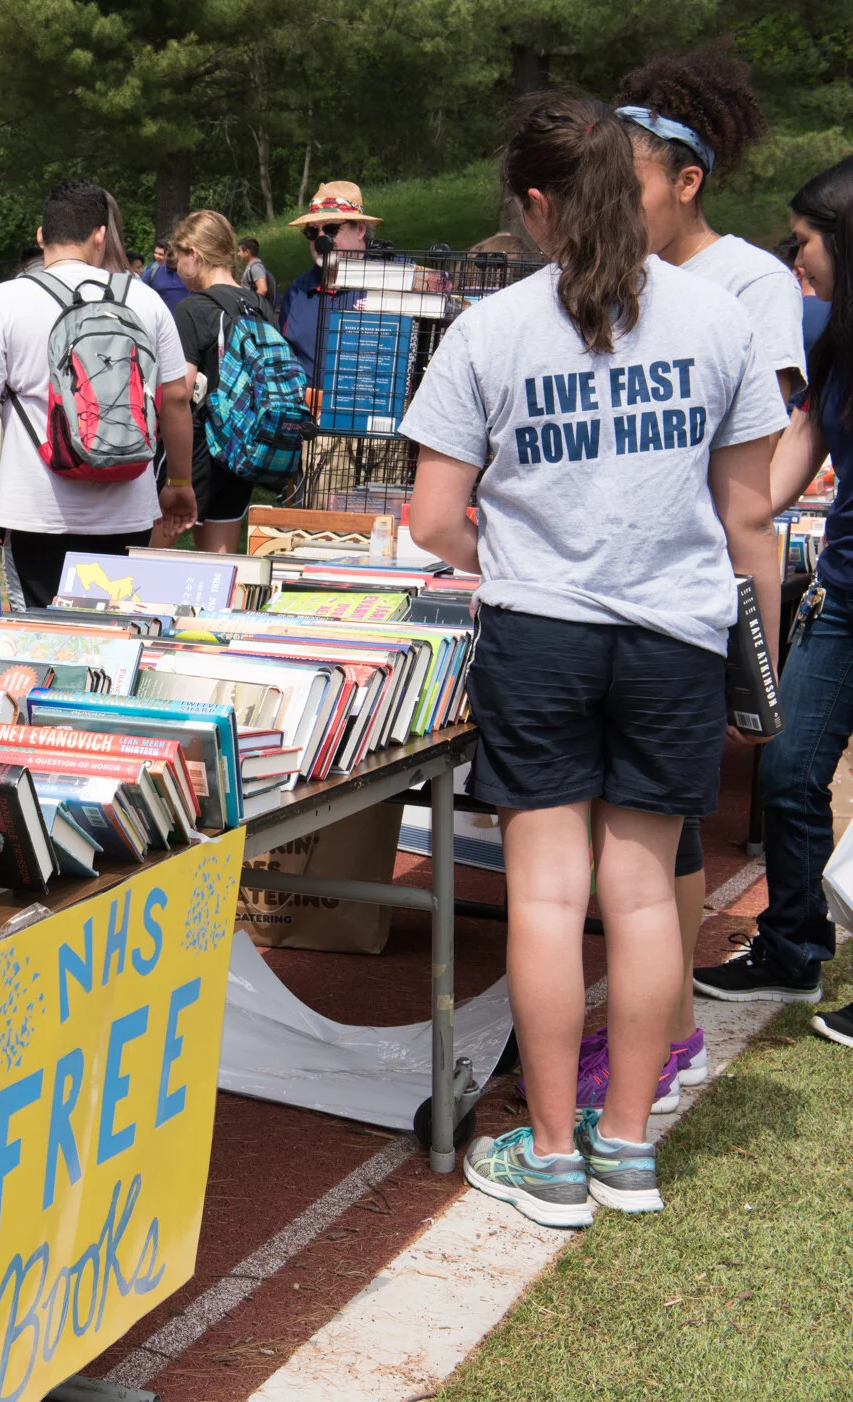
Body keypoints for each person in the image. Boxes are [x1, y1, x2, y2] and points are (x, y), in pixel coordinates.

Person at [405, 91, 785, 1229]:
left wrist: (519, 549)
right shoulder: (721, 321)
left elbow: (431, 521)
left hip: (543, 634)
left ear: (534, 205)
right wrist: (754, 659)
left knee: (548, 892)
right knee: (645, 893)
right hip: (674, 633)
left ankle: (555, 1156)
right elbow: (749, 514)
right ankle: (628, 1147)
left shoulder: (491, 330)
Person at [600, 49, 809, 1094]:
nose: (610, 202)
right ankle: (653, 1016)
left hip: (688, 593)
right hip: (612, 591)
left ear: (687, 181)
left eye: (628, 180)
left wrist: (753, 646)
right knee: (634, 828)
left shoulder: (751, 284)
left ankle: (669, 1023)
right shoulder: (618, 275)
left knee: (669, 824)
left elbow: (757, 479)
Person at [705, 156, 853, 1037]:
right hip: (841, 599)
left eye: (803, 241)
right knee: (792, 772)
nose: (794, 259)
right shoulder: (832, 337)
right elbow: (772, 485)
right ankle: (793, 951)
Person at [0, 179, 196, 608]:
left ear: (41, 235)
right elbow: (176, 399)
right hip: (128, 509)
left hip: (37, 512)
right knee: (121, 633)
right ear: (101, 235)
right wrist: (179, 481)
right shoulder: (145, 299)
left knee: (43, 638)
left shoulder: (5, 300)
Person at [167, 211, 277, 554]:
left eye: (178, 258)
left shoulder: (193, 307)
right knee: (221, 558)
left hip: (198, 445)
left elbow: (181, 391)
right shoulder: (259, 305)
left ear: (194, 255)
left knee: (152, 549)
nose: (176, 268)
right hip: (244, 444)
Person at [278, 180, 377, 381]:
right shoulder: (297, 292)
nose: (321, 240)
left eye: (331, 229)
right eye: (312, 232)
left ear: (360, 229)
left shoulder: (391, 282)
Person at [145, 240, 189, 312]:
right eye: (169, 260)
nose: (172, 262)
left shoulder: (191, 275)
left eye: (175, 260)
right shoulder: (151, 274)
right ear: (165, 255)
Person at [238, 236, 276, 302]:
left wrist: (253, 305)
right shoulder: (252, 267)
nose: (238, 254)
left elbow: (263, 289)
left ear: (247, 252)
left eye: (240, 251)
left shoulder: (256, 267)